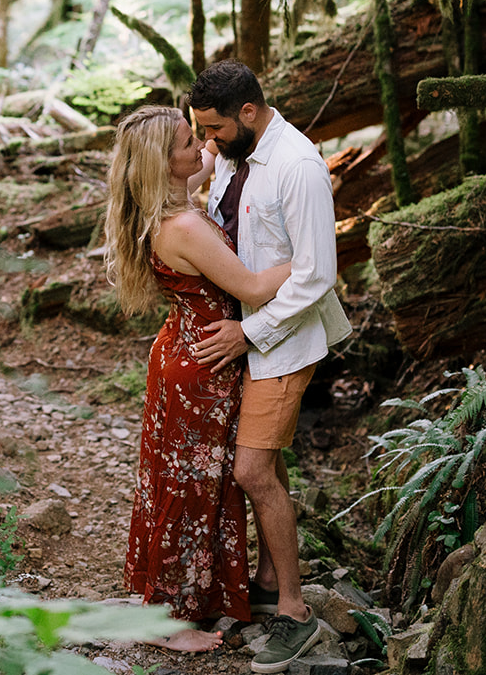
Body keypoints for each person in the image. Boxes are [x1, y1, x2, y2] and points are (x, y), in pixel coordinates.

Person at [105, 105, 292, 652]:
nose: (203, 148)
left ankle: (201, 593)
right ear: (166, 163)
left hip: (186, 352)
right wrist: (309, 258)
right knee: (189, 488)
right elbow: (256, 290)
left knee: (191, 481)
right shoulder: (183, 225)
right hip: (201, 367)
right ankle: (172, 621)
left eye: (201, 137)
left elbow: (213, 154)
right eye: (191, 142)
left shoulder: (166, 201)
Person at [187, 59, 352, 674]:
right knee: (269, 466)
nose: (207, 141)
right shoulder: (236, 153)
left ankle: (294, 613)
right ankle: (263, 582)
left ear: (248, 113)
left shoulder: (297, 166)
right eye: (199, 130)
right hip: (248, 339)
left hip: (281, 342)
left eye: (214, 129)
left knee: (252, 471)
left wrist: (247, 331)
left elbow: (316, 274)